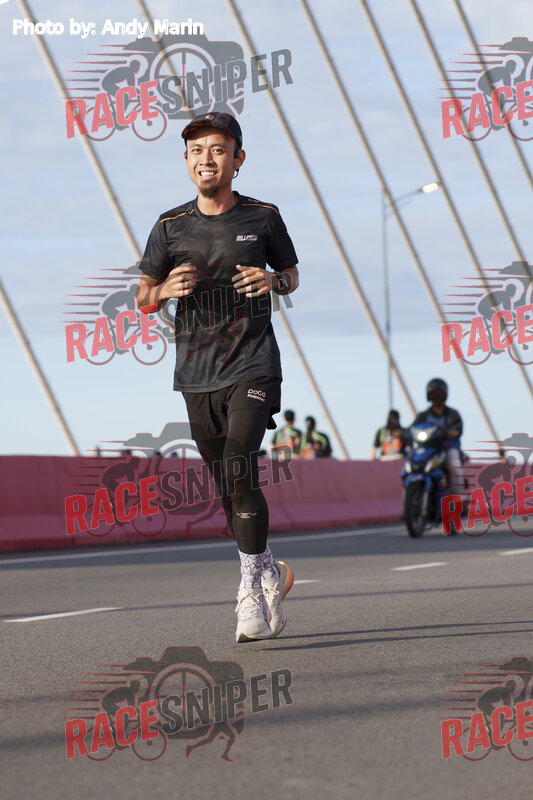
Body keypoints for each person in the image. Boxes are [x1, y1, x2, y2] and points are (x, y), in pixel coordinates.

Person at [136, 111, 299, 643]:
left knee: (237, 464)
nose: (207, 159)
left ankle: (249, 588)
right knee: (228, 486)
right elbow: (143, 297)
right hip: (196, 374)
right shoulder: (169, 226)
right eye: (197, 151)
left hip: (254, 362)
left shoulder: (264, 217)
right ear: (186, 162)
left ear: (238, 159)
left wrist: (272, 281)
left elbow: (291, 275)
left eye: (218, 150)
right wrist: (165, 291)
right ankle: (269, 571)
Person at [411, 378, 464, 495]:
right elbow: (412, 429)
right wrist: (402, 433)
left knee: (454, 465)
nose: (436, 397)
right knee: (408, 468)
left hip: (447, 448)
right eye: (433, 394)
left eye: (439, 394)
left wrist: (446, 432)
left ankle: (460, 497)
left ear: (444, 395)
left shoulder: (452, 414)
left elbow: (457, 431)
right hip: (428, 450)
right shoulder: (423, 416)